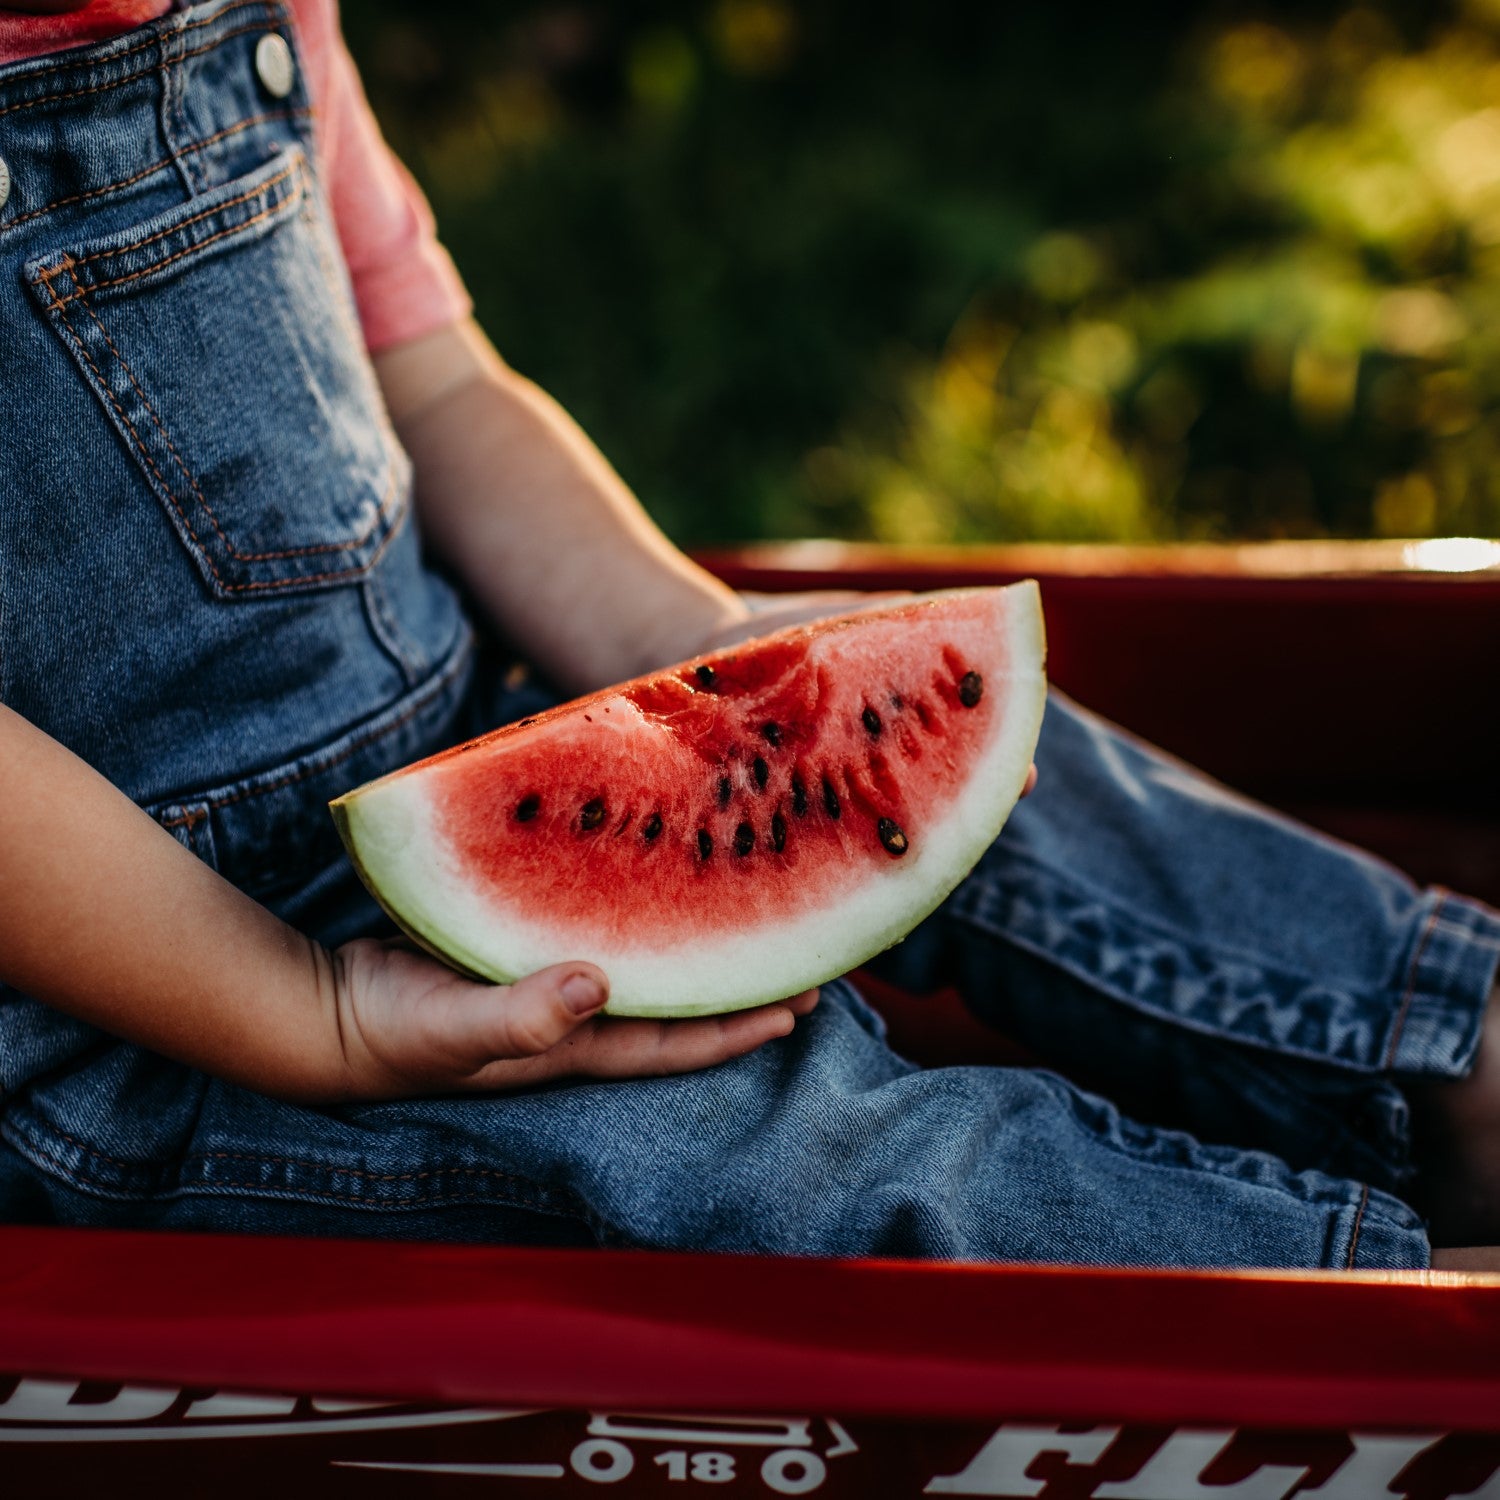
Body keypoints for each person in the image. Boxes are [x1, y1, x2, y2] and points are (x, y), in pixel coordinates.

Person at [1, 0, 1497, 1271]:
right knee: (772, 1147)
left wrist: (697, 634)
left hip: (440, 745)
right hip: (133, 1018)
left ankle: (1466, 1063)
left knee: (1014, 779)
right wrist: (304, 1010)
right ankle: (1392, 1299)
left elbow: (438, 388)